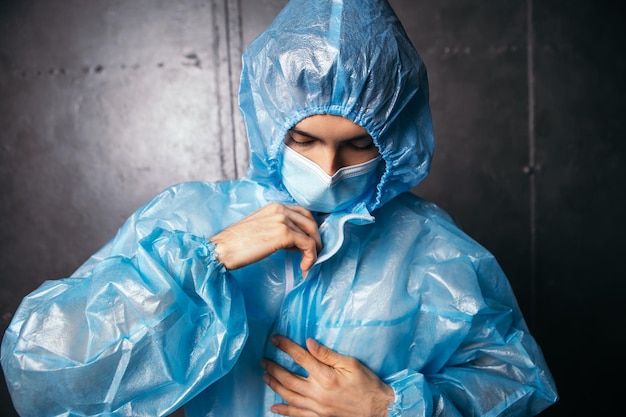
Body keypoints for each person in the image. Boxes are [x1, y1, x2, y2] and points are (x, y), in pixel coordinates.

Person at [1, 0, 559, 416]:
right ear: (273, 125)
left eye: (358, 144)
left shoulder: (431, 249)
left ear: (395, 135)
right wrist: (204, 259)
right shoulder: (190, 218)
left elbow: (515, 383)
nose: (329, 166)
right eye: (305, 140)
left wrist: (393, 406)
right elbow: (42, 371)